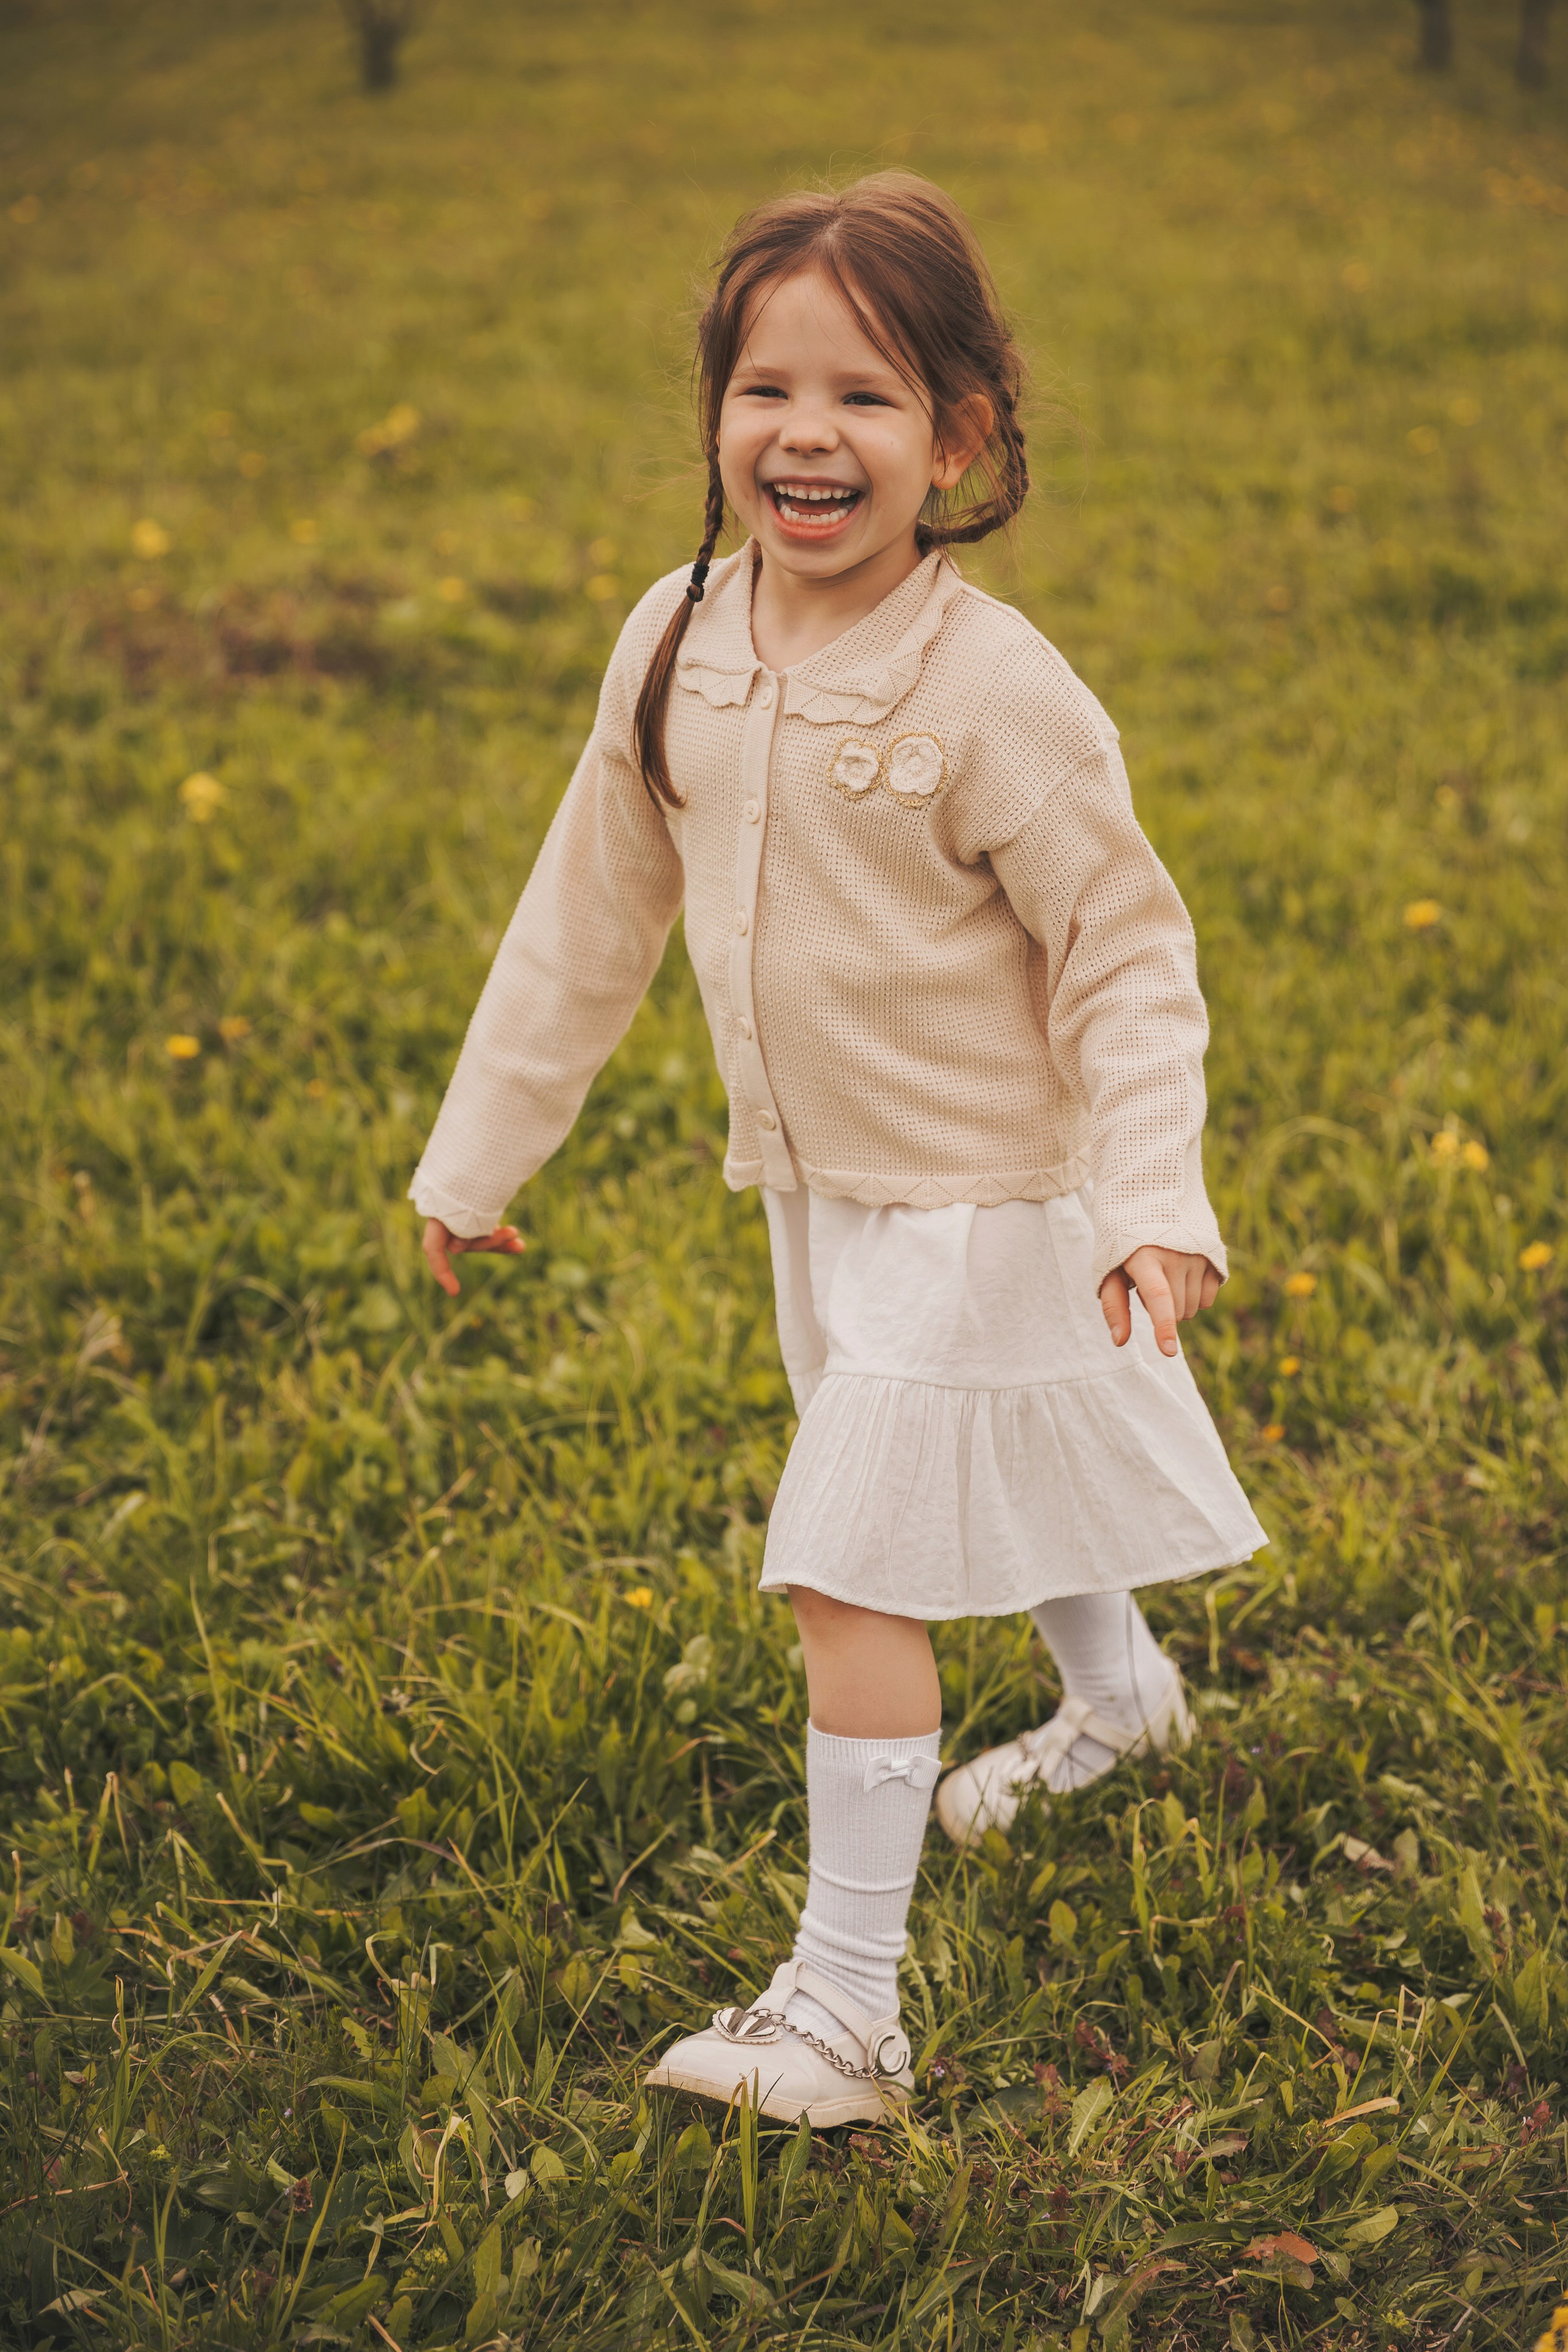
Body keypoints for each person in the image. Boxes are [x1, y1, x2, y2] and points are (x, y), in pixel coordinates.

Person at [410, 172, 1266, 2128]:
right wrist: (480, 1153)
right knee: (980, 1477)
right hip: (823, 1202)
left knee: (849, 1566)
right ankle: (1121, 1700)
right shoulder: (678, 637)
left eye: (868, 397)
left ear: (958, 437)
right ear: (718, 416)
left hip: (989, 1203)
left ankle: (844, 2012)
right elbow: (587, 911)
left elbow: (1127, 953)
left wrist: (1151, 1200)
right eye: (766, 388)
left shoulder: (996, 691)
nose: (809, 434)